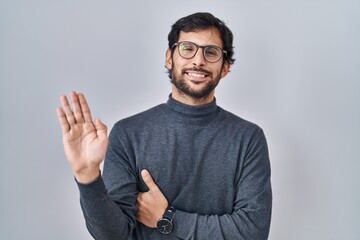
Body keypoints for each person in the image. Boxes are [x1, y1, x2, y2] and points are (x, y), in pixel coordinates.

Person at [56, 12, 272, 240]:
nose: (198, 60)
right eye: (187, 49)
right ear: (169, 58)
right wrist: (86, 175)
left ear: (225, 67)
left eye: (211, 52)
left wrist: (168, 217)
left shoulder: (249, 139)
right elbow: (113, 235)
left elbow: (253, 233)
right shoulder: (128, 134)